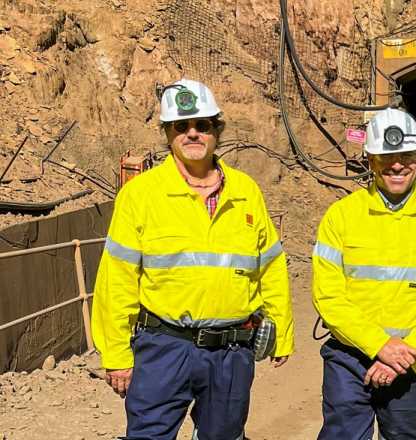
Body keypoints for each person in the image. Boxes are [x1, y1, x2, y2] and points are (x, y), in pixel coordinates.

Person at [92, 78, 294, 440]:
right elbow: (116, 278)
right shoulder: (141, 194)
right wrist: (117, 354)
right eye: (181, 126)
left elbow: (271, 266)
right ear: (168, 134)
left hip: (232, 349)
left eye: (202, 125)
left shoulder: (246, 191)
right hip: (164, 347)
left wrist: (282, 330)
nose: (192, 134)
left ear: (217, 130)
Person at [312, 108, 416, 440]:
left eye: (406, 155)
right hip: (349, 358)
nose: (397, 164)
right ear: (370, 160)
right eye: (386, 156)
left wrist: (402, 354)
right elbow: (328, 296)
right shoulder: (341, 216)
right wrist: (379, 345)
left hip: (412, 364)